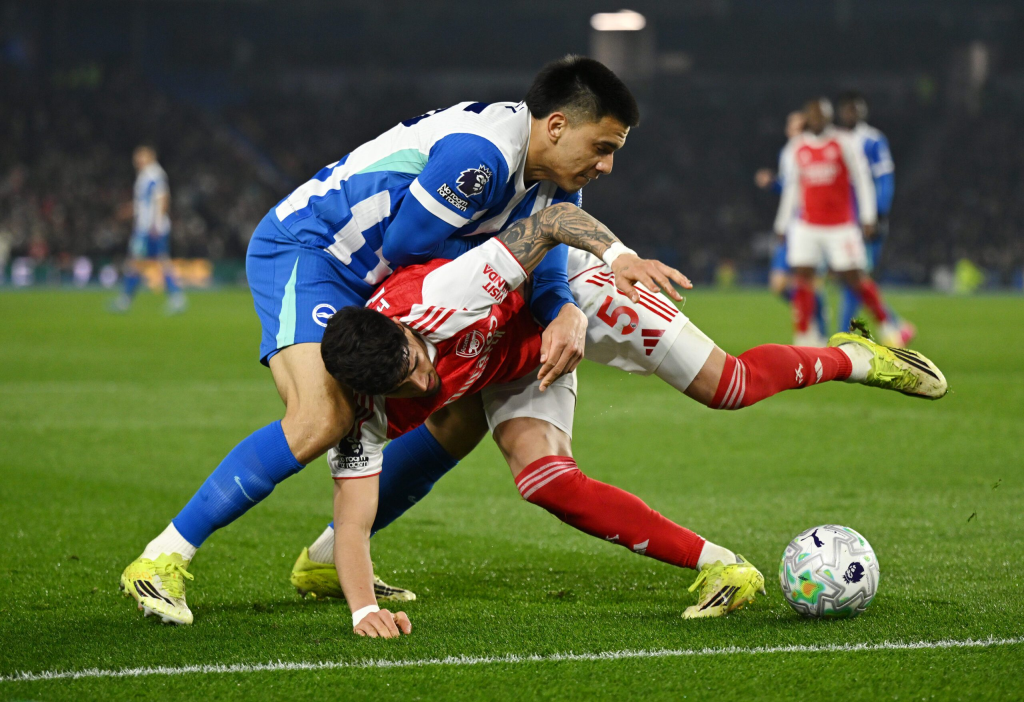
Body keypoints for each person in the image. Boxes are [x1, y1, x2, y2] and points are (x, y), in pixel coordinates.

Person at [119, 56, 689, 624]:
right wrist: (587, 257)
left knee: (462, 419)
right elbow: (407, 245)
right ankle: (163, 557)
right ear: (557, 126)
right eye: (602, 147)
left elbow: (545, 269)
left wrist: (563, 310)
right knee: (323, 417)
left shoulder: (557, 187)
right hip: (317, 254)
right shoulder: (482, 156)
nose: (607, 165)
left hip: (382, 276)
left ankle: (331, 557)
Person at [290, 203, 946, 638]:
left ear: (404, 329)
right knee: (544, 479)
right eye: (402, 387)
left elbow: (552, 218)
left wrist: (615, 257)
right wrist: (363, 608)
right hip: (511, 359)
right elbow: (353, 514)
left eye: (415, 363)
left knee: (730, 386)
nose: (422, 384)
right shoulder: (365, 408)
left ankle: (856, 357)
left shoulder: (443, 296)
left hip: (576, 292)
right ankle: (722, 567)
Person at [775, 98, 902, 347]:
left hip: (841, 226)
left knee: (855, 278)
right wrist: (782, 224)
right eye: (813, 115)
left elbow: (862, 178)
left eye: (822, 115)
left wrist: (868, 217)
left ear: (829, 117)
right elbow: (792, 189)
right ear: (808, 118)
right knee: (802, 278)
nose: (817, 120)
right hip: (807, 225)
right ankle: (805, 337)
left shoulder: (843, 143)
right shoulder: (797, 147)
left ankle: (888, 326)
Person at [836, 91, 915, 345]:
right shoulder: (836, 140)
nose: (850, 113)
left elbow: (884, 178)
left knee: (855, 279)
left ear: (862, 112)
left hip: (865, 221)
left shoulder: (873, 140)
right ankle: (896, 325)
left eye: (855, 109)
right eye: (846, 108)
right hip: (841, 221)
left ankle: (844, 337)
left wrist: (879, 212)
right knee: (853, 279)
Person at [755, 110, 828, 342]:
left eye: (796, 125)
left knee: (809, 281)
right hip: (792, 224)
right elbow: (790, 188)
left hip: (810, 223)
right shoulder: (787, 152)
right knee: (778, 284)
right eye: (790, 124)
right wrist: (773, 183)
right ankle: (810, 311)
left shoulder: (814, 151)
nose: (790, 129)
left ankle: (819, 330)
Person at [111, 145, 187, 314]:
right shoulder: (144, 176)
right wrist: (128, 210)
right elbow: (143, 204)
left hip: (151, 228)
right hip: (145, 227)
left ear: (150, 157)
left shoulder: (154, 174)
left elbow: (163, 198)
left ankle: (127, 300)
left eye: (140, 157)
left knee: (146, 262)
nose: (136, 161)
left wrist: (156, 224)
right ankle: (174, 298)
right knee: (142, 262)